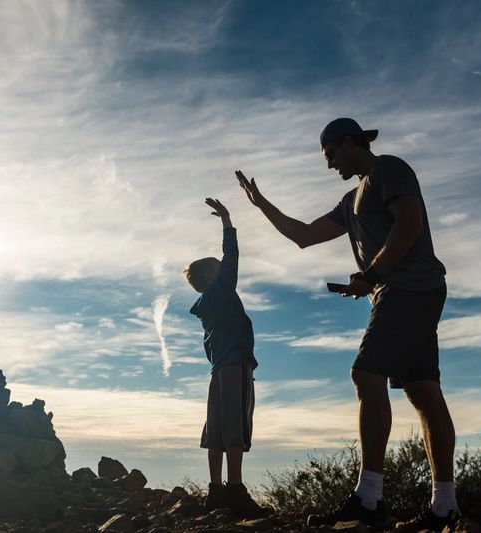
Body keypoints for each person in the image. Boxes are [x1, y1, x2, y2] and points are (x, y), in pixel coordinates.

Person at [236, 118, 458, 531]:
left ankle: (369, 499)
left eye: (330, 154)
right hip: (406, 291)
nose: (329, 164)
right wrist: (261, 204)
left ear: (350, 142)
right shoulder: (348, 200)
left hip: (408, 288)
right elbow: (303, 235)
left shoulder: (388, 169)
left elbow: (409, 225)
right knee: (423, 390)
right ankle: (444, 507)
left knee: (366, 373)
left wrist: (371, 275)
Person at [185, 198, 267, 519]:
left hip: (218, 369)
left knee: (217, 427)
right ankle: (236, 490)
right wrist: (228, 222)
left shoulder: (207, 307)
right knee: (236, 425)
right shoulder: (220, 292)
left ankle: (216, 491)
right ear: (211, 275)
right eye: (217, 268)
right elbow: (231, 255)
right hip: (234, 364)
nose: (224, 268)